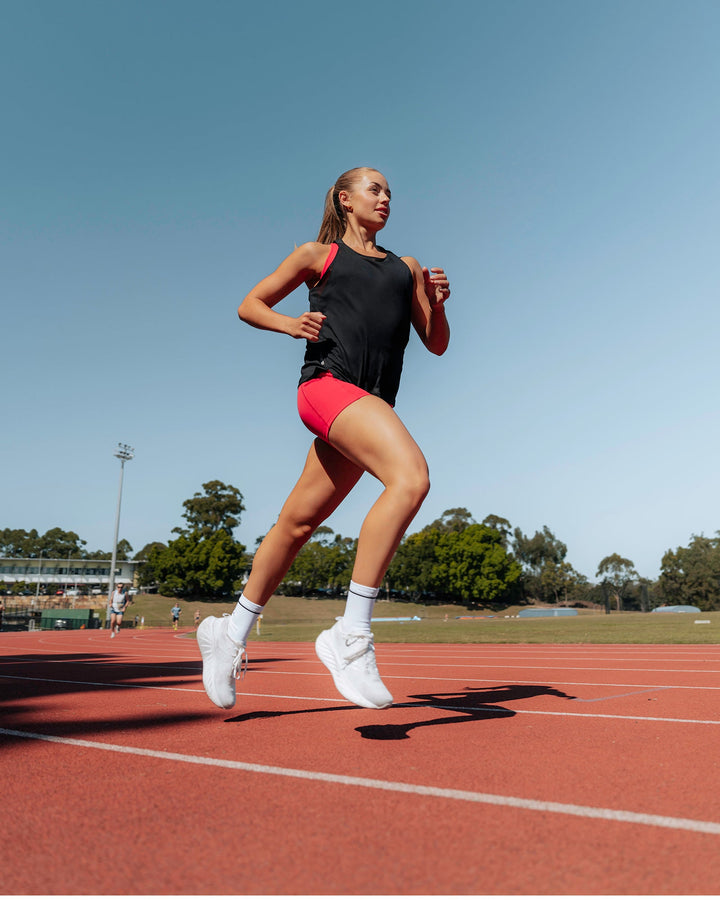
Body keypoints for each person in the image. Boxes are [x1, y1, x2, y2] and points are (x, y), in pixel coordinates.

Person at [198, 166, 450, 711]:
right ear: (345, 199)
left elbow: (436, 343)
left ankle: (230, 632)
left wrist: (439, 302)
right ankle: (350, 636)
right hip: (326, 387)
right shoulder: (317, 256)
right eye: (374, 189)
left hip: (368, 406)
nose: (385, 199)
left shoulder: (405, 268)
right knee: (410, 478)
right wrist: (290, 324)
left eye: (390, 192)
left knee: (298, 523)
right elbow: (250, 304)